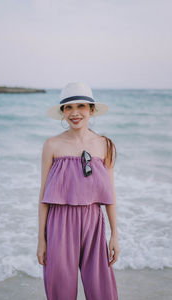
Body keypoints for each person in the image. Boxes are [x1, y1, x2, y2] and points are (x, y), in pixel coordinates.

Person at [36, 82, 119, 300]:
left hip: (94, 222)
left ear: (91, 110)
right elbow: (43, 196)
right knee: (60, 290)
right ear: (62, 112)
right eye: (68, 107)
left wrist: (114, 235)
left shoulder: (105, 145)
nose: (74, 113)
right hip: (59, 223)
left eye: (81, 106)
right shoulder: (52, 145)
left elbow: (110, 196)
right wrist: (41, 239)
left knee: (102, 292)